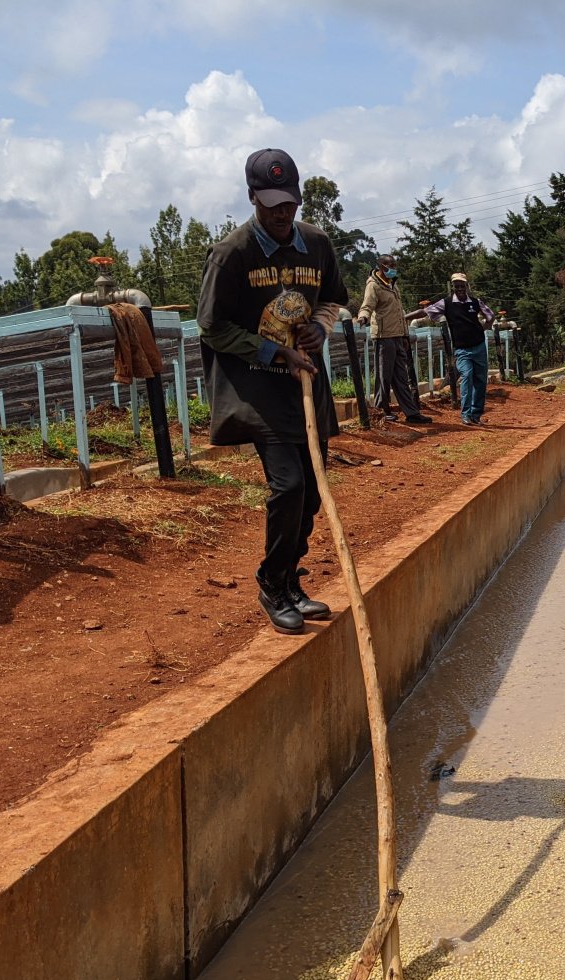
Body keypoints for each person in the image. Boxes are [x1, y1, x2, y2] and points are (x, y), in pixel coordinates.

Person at [199, 148, 351, 634]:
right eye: (271, 204)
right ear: (252, 199)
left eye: (289, 203)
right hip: (258, 388)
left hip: (306, 387)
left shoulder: (317, 244)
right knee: (288, 487)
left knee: (309, 495)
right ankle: (270, 582)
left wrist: (321, 329)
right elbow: (211, 326)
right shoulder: (232, 253)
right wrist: (272, 351)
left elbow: (333, 299)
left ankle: (289, 578)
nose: (282, 213)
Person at [356, 254, 431, 425]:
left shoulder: (392, 285)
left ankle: (411, 413)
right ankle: (381, 411)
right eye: (389, 265)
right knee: (384, 376)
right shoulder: (373, 285)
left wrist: (404, 335)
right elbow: (367, 306)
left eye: (394, 265)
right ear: (380, 266)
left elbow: (400, 313)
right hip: (383, 337)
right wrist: (363, 317)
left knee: (401, 376)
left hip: (397, 336)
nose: (392, 268)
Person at [414, 274, 494, 426]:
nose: (460, 288)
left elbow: (490, 315)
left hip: (479, 347)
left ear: (467, 286)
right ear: (453, 287)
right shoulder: (447, 303)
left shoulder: (476, 302)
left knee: (480, 381)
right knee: (467, 375)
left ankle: (476, 415)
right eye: (456, 285)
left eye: (462, 285)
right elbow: (426, 312)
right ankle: (465, 414)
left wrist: (483, 329)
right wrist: (404, 317)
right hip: (462, 350)